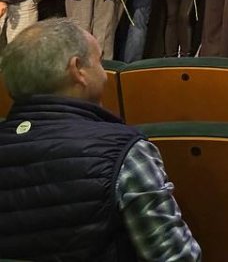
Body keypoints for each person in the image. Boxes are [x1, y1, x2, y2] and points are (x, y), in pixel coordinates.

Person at [0, 18, 200, 261]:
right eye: (98, 61)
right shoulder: (126, 152)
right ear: (78, 70)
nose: (105, 74)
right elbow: (176, 257)